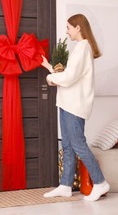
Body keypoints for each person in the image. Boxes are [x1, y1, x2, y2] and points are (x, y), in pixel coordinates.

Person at [41, 14, 110, 202]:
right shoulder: (80, 48)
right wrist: (51, 69)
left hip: (74, 106)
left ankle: (100, 182)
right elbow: (71, 75)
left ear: (78, 27)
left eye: (69, 27)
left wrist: (50, 78)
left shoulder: (83, 48)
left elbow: (69, 77)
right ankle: (65, 185)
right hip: (67, 103)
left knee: (78, 144)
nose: (67, 31)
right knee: (68, 145)